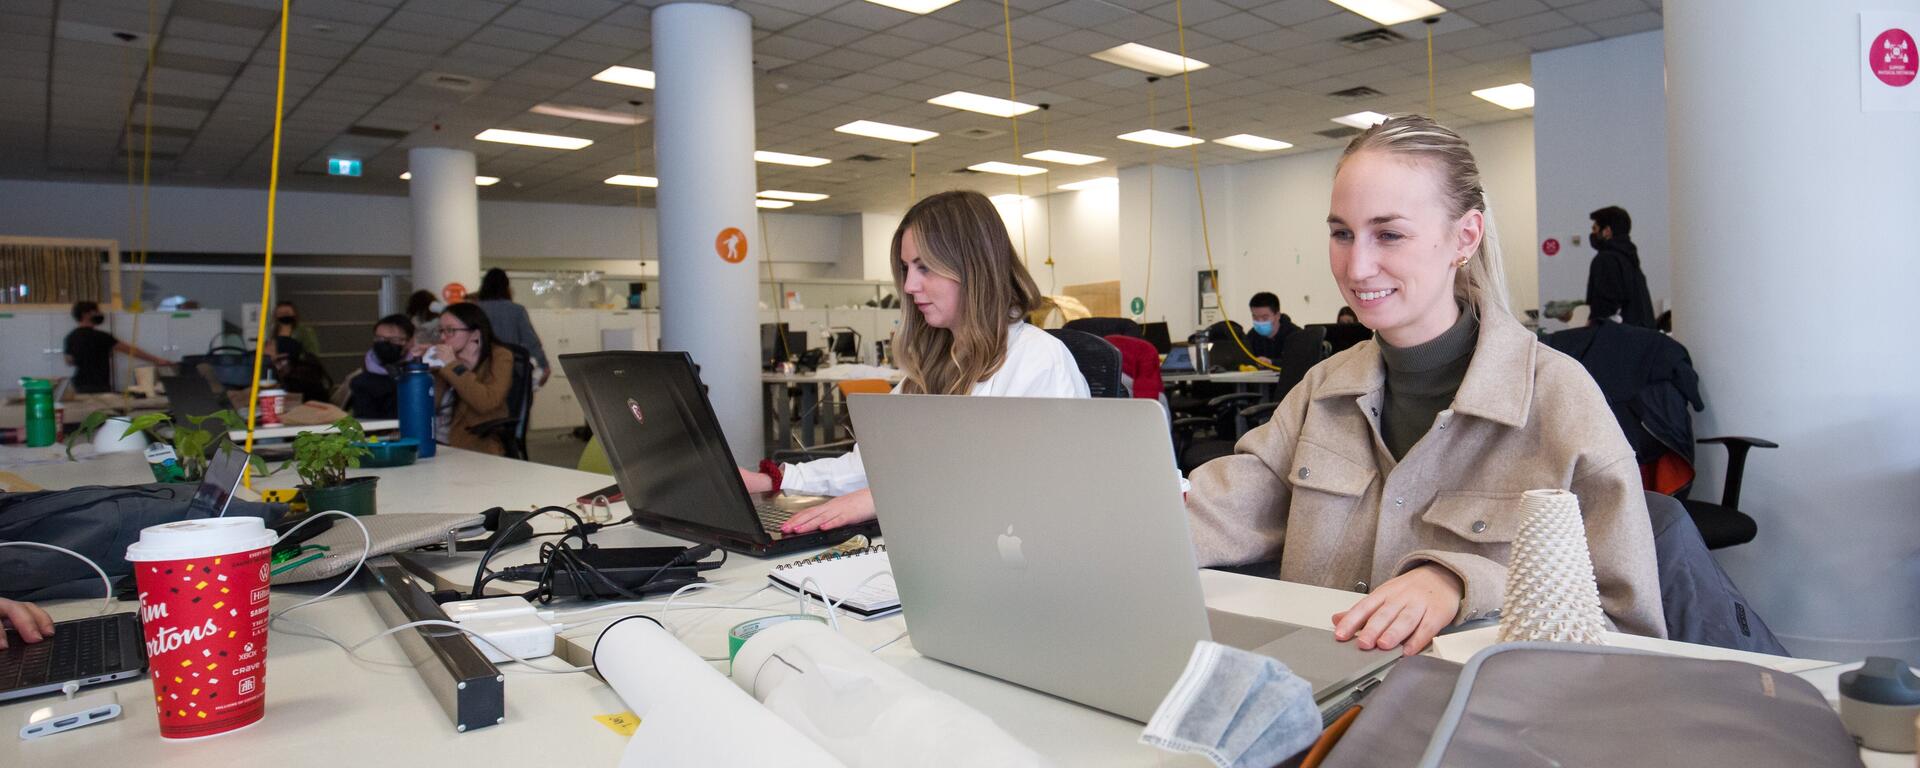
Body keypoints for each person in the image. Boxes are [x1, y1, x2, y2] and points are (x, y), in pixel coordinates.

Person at [1184, 115, 1664, 657]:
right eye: (1342, 233)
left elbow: (1629, 632)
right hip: (1317, 702)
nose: (1357, 266)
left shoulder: (1559, 399)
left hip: (1478, 721)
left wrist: (1462, 583)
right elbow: (1212, 513)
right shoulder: (1323, 390)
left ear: (1465, 237)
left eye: (1388, 234)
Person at [739, 190, 1090, 534]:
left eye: (925, 268)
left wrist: (884, 499)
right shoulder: (936, 365)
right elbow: (874, 464)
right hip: (934, 545)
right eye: (907, 268)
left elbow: (1033, 490)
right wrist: (774, 479)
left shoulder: (1038, 360)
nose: (908, 285)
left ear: (973, 267)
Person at [422, 303, 515, 456]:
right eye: (441, 331)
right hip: (436, 442)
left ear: (475, 334)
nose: (443, 337)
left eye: (450, 330)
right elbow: (429, 405)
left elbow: (486, 402)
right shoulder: (443, 359)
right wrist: (420, 366)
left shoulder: (500, 356)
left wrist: (453, 366)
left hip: (474, 444)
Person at [63, 300, 170, 393]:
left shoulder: (70, 337)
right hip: (99, 384)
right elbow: (130, 350)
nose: (100, 313)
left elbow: (69, 362)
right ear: (86, 314)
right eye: (96, 311)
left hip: (79, 383)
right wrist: (157, 360)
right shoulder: (102, 337)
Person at [473, 268, 550, 386]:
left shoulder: (475, 309)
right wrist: (543, 365)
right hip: (509, 369)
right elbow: (531, 341)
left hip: (479, 368)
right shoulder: (516, 310)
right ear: (506, 287)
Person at [1584, 205, 1656, 329]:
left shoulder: (1605, 259)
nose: (1593, 233)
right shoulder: (1630, 258)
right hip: (1641, 334)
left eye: (1595, 228)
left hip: (1620, 337)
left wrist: (1591, 326)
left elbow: (1605, 304)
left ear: (1607, 231)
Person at [343, 314, 415, 419]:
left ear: (410, 342)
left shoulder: (417, 374)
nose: (384, 344)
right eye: (379, 338)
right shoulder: (361, 382)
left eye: (394, 340)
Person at [1242, 291, 1300, 364]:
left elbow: (1298, 362)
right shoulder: (1252, 336)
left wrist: (1271, 362)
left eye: (1265, 318)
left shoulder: (1296, 336)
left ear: (1277, 315)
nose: (1260, 322)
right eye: (1255, 317)